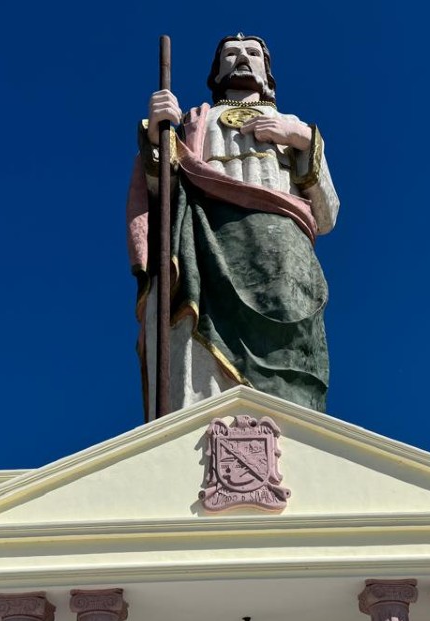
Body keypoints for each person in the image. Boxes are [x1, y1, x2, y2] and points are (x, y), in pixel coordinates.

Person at [127, 34, 339, 419]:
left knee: (293, 350)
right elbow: (160, 192)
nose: (242, 58)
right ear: (217, 72)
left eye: (253, 53)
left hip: (283, 254)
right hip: (205, 240)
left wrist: (302, 139)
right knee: (196, 330)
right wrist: (157, 135)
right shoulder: (192, 122)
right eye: (230, 54)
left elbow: (326, 216)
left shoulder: (295, 129)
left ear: (268, 74)